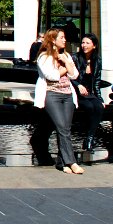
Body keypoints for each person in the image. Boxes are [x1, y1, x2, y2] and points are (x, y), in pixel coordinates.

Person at [34, 28, 84, 175]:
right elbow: (52, 76)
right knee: (62, 127)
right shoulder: (44, 57)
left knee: (66, 129)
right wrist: (65, 67)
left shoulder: (66, 55)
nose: (64, 40)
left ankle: (62, 163)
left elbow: (75, 74)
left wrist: (66, 63)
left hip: (68, 95)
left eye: (64, 37)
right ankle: (72, 162)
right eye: (61, 37)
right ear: (53, 40)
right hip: (52, 95)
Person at [71, 33, 104, 152]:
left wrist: (99, 98)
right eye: (83, 42)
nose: (84, 45)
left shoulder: (97, 60)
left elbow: (97, 82)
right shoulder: (74, 58)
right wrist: (78, 85)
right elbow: (69, 77)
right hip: (76, 91)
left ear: (94, 46)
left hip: (89, 92)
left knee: (99, 107)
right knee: (89, 107)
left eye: (87, 43)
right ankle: (87, 137)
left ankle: (89, 138)